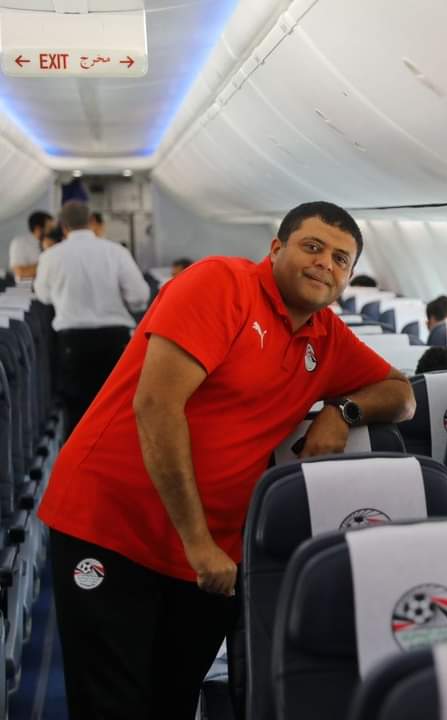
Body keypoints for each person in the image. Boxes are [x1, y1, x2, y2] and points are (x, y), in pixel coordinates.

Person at [36, 200, 416, 719]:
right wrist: (198, 544)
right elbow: (157, 406)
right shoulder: (219, 284)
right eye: (312, 247)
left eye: (340, 259)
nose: (325, 263)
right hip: (112, 523)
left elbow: (402, 395)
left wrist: (342, 411)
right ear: (276, 248)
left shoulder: (326, 339)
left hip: (211, 553)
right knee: (111, 705)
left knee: (173, 701)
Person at [34, 201, 150, 434]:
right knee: (117, 411)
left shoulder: (51, 256)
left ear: (63, 226)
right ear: (90, 222)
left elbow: (44, 296)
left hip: (72, 343)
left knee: (78, 414)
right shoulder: (116, 251)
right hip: (114, 340)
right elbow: (139, 296)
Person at [9, 210, 53, 279]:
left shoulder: (55, 241)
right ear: (38, 229)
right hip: (29, 285)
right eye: (50, 227)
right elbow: (20, 271)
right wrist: (50, 265)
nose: (53, 229)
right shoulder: (20, 243)